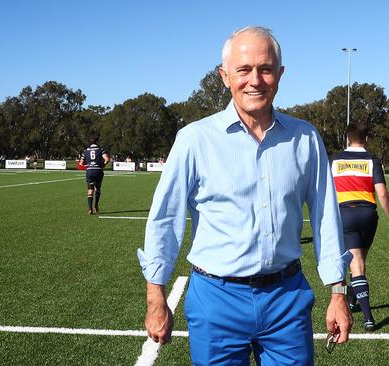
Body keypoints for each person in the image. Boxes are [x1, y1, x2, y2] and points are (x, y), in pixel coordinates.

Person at [138, 26, 352, 365]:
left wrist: (338, 292)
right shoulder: (195, 139)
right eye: (244, 70)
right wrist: (156, 298)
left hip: (287, 297)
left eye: (265, 69)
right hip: (216, 300)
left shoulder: (305, 138)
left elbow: (327, 217)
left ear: (280, 74)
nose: (255, 80)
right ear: (225, 76)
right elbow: (166, 218)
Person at [330, 123, 389, 332]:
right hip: (368, 215)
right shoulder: (372, 159)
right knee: (360, 262)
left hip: (345, 214)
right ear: (367, 139)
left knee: (357, 265)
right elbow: (382, 193)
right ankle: (353, 300)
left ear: (346, 139)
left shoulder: (335, 159)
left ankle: (368, 318)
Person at [82, 137, 110, 215]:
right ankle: (96, 205)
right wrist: (103, 165)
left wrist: (87, 164)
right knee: (97, 188)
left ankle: (90, 209)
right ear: (97, 141)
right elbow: (107, 159)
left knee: (90, 190)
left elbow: (81, 163)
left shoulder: (86, 151)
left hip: (90, 171)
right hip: (98, 171)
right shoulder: (101, 150)